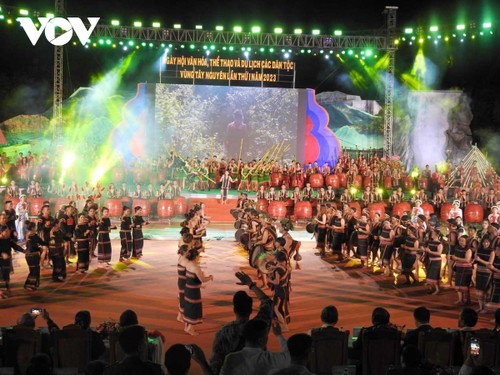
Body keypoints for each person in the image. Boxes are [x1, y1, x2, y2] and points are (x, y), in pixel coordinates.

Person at [210, 271, 273, 375]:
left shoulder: (223, 333)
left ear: (234, 309)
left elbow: (215, 366)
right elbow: (267, 303)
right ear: (251, 310)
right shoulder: (259, 326)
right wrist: (250, 284)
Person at [219, 318, 290, 375]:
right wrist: (279, 335)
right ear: (261, 340)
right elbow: (289, 355)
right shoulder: (270, 359)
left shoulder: (230, 359)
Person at [183, 247, 213, 336]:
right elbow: (203, 279)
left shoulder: (188, 263)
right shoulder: (196, 268)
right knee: (193, 308)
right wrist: (210, 277)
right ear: (196, 257)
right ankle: (190, 328)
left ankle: (186, 326)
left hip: (188, 288)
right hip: (193, 291)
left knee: (188, 307)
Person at [24, 220, 47, 290]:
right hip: (31, 256)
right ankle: (28, 285)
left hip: (35, 255)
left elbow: (42, 242)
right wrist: (39, 248)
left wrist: (49, 243)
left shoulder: (35, 235)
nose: (36, 227)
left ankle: (33, 284)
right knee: (33, 271)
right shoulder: (28, 236)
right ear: (32, 228)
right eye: (35, 226)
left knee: (36, 270)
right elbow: (31, 247)